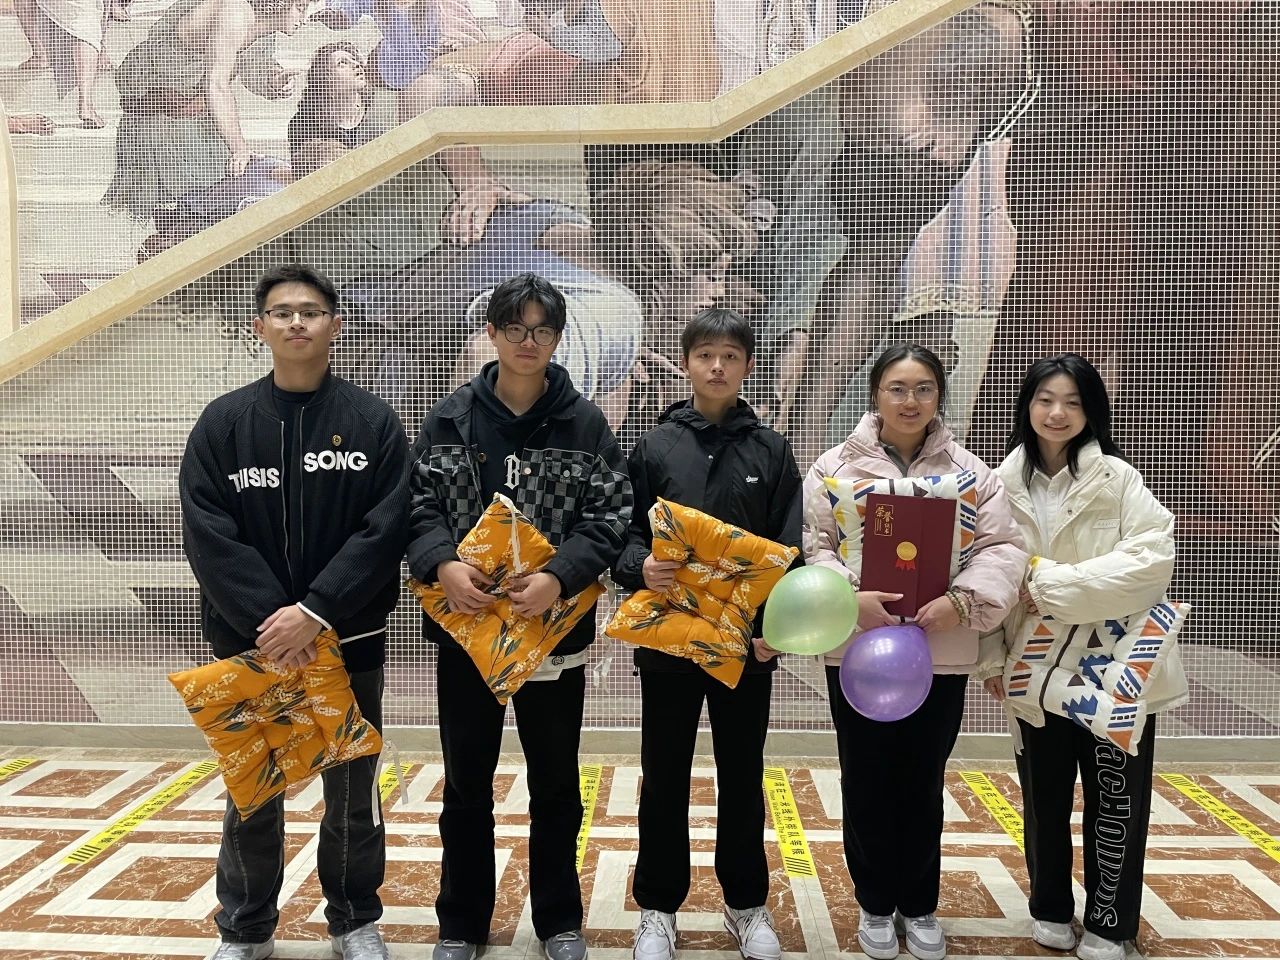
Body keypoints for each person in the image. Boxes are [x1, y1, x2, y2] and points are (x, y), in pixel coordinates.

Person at [178, 264, 409, 960]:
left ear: (335, 325)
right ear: (261, 328)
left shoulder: (372, 422)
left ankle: (354, 920)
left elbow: (384, 530)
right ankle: (245, 928)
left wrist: (316, 610)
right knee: (252, 789)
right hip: (251, 647)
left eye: (310, 311)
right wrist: (273, 622)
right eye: (282, 312)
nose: (297, 322)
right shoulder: (224, 424)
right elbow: (208, 533)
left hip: (349, 641)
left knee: (352, 792)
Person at [406, 272, 632, 960]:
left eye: (541, 331)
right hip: (467, 631)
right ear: (493, 332)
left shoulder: (584, 422)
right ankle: (461, 923)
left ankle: (558, 920)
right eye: (514, 328)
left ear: (557, 339)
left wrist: (560, 576)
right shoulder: (449, 417)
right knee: (466, 785)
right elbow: (416, 506)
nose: (527, 342)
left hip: (553, 632)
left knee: (556, 786)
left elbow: (611, 516)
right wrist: (442, 563)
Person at [803, 342, 1025, 960]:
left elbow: (1003, 548)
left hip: (940, 650)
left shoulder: (973, 474)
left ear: (939, 397)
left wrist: (961, 601)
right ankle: (876, 904)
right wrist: (849, 596)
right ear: (876, 394)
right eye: (897, 388)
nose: (910, 401)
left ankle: (920, 905)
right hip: (859, 651)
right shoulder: (833, 468)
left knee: (923, 780)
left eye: (923, 388)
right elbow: (815, 545)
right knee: (866, 777)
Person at [976, 353, 1188, 960]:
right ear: (1027, 406)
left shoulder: (1119, 480)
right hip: (1033, 666)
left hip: (1114, 669)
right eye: (1045, 399)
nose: (1057, 413)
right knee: (1042, 796)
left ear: (1091, 410)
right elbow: (984, 572)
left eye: (1072, 401)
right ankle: (1048, 908)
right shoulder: (998, 485)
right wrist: (991, 660)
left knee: (1117, 800)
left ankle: (1109, 923)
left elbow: (1149, 565)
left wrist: (1044, 584)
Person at [612, 307, 801, 960]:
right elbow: (623, 534)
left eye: (730, 356)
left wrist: (774, 631)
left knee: (742, 777)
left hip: (745, 648)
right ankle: (658, 909)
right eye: (705, 355)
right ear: (687, 363)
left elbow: (790, 551)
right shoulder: (655, 446)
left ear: (747, 367)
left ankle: (745, 904)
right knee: (663, 777)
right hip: (669, 643)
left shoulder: (771, 450)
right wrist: (639, 566)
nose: (717, 367)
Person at [102, 0, 307, 222]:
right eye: (301, 7)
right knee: (191, 194)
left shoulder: (262, 26)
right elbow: (216, 84)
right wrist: (240, 149)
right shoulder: (236, 12)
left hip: (194, 110)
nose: (304, 19)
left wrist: (275, 81)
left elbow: (253, 65)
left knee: (216, 189)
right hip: (159, 108)